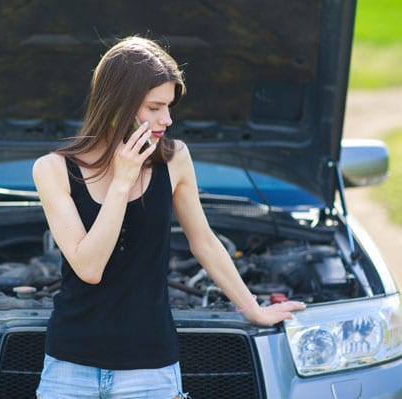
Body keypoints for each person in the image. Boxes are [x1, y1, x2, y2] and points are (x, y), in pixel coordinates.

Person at [32, 36, 305, 398]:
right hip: (69, 367)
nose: (167, 119)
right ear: (117, 105)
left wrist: (252, 309)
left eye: (169, 107)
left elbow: (204, 242)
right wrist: (121, 182)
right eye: (154, 108)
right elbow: (89, 267)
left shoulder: (175, 159)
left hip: (150, 369)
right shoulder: (53, 169)